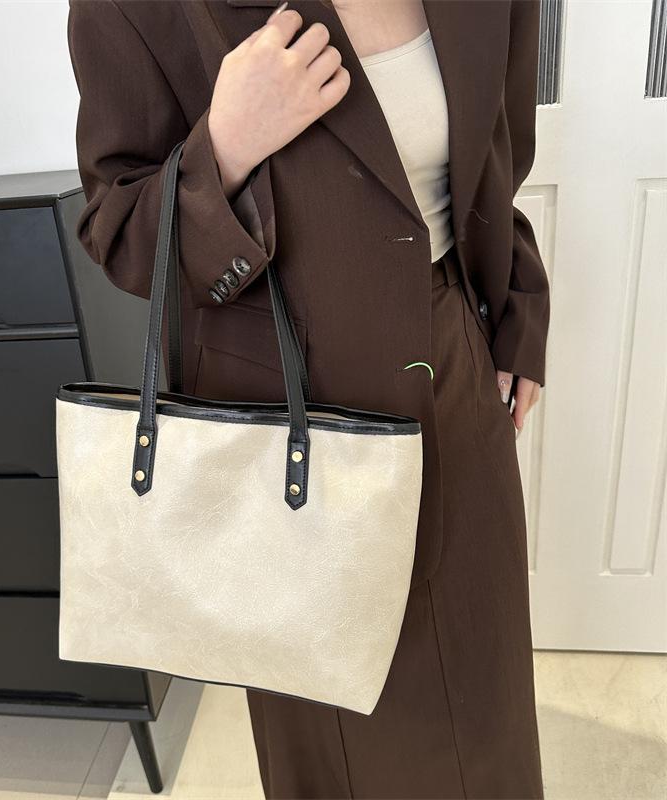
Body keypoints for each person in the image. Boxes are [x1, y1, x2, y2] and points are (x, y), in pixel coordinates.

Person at [67, 0, 549, 796]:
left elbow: (498, 159)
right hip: (289, 434)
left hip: (457, 384)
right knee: (342, 755)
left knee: (486, 716)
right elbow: (120, 233)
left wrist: (520, 313)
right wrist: (224, 149)